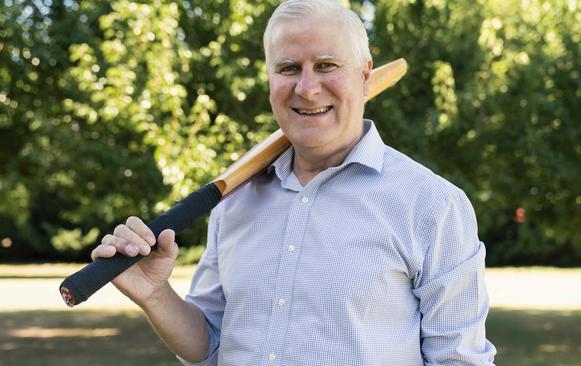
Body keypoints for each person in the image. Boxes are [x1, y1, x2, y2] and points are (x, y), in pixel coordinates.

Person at [91, 0, 497, 364]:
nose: (306, 87)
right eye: (288, 68)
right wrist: (156, 295)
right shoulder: (235, 200)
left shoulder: (431, 204)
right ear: (270, 81)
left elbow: (459, 361)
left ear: (366, 76)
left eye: (326, 65)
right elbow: (212, 344)